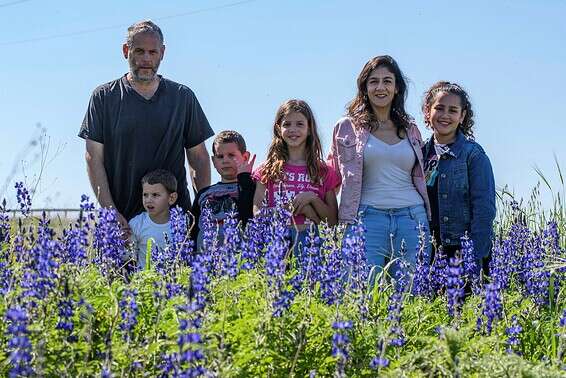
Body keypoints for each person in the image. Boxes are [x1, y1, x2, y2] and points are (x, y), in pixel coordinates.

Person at [78, 20, 214, 235]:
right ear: (126, 50)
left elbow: (198, 157)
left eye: (153, 52)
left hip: (173, 219)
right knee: (118, 269)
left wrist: (200, 206)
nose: (146, 59)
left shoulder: (182, 97)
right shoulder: (104, 97)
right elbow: (93, 158)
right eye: (139, 51)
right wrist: (109, 212)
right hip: (122, 218)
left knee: (176, 269)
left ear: (163, 53)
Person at [328, 55, 431, 275]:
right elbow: (331, 177)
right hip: (365, 217)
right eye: (374, 81)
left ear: (396, 89)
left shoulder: (410, 129)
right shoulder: (347, 127)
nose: (380, 87)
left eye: (387, 81)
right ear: (364, 88)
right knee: (359, 291)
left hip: (411, 216)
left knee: (411, 294)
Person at [421, 81, 495, 272]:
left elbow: (484, 209)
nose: (445, 115)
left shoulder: (473, 155)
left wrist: (476, 257)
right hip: (427, 249)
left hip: (462, 250)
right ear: (428, 112)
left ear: (462, 116)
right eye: (439, 108)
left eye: (453, 110)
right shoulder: (418, 152)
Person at [253, 99, 339, 252]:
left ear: (309, 128)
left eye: (300, 124)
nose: (293, 129)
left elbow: (332, 221)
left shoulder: (324, 171)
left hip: (311, 239)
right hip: (275, 239)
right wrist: (300, 209)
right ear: (278, 129)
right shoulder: (266, 170)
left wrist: (312, 199)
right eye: (287, 124)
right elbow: (258, 215)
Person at [190, 130, 256, 250]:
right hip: (205, 258)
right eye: (220, 156)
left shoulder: (251, 187)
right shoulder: (204, 194)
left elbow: (249, 215)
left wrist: (245, 178)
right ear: (214, 161)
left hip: (239, 257)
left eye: (231, 155)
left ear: (245, 157)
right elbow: (192, 228)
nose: (225, 160)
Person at [129, 169, 178, 269]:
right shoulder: (137, 223)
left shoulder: (180, 222)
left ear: (171, 198)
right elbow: (128, 256)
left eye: (155, 195)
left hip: (174, 280)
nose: (148, 200)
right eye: (145, 195)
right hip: (145, 280)